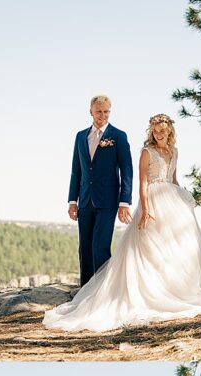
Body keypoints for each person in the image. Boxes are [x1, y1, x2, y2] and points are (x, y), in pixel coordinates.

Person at [45, 114, 201, 333]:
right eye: (156, 131)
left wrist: (183, 197)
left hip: (172, 200)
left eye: (163, 131)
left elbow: (173, 179)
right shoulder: (146, 152)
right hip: (153, 200)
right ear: (151, 132)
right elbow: (143, 182)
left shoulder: (174, 152)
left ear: (169, 133)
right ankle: (146, 291)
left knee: (174, 247)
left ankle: (172, 288)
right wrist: (145, 209)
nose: (159, 134)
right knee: (148, 247)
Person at [67, 95, 134, 286]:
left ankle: (102, 290)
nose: (102, 115)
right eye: (99, 111)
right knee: (85, 248)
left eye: (106, 111)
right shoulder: (80, 136)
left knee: (100, 247)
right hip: (85, 200)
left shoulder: (118, 136)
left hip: (108, 201)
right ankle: (85, 290)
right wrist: (72, 200)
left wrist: (124, 202)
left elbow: (127, 170)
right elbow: (76, 170)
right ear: (91, 112)